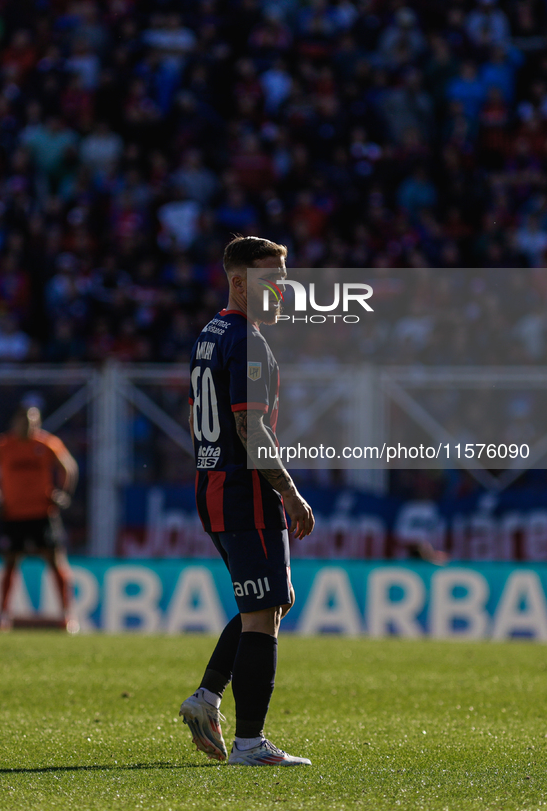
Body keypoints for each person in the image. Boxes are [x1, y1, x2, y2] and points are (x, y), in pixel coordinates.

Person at [180, 235, 315, 766]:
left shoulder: (211, 333)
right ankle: (250, 743)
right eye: (270, 280)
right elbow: (248, 425)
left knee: (271, 600)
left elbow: (197, 416)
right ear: (239, 282)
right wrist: (291, 492)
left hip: (212, 484)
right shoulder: (248, 339)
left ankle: (207, 696)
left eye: (284, 280)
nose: (281, 291)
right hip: (245, 489)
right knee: (263, 613)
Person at [0, 404, 79, 632]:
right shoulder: (4, 445)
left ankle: (67, 615)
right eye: (24, 421)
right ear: (15, 423)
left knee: (55, 561)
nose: (29, 426)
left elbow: (69, 468)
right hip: (13, 514)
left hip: (43, 513)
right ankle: (3, 615)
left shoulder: (46, 444)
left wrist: (63, 494)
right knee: (10, 562)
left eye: (33, 422)